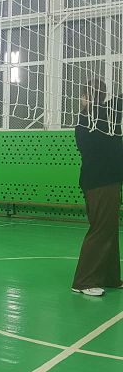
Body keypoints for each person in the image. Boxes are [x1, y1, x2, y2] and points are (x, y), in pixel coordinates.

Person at [72, 84, 122, 296]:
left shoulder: (97, 118)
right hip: (100, 182)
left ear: (86, 95)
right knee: (101, 229)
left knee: (109, 229)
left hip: (105, 181)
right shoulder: (97, 117)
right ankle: (83, 281)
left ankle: (110, 277)